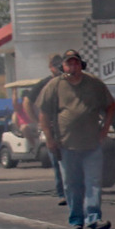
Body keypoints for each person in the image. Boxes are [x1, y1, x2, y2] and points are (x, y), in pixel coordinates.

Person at [39, 50, 115, 229]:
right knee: (72, 184)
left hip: (92, 144)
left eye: (76, 63)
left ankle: (93, 218)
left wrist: (105, 128)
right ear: (63, 67)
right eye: (69, 64)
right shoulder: (54, 86)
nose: (73, 67)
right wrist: (49, 138)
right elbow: (44, 113)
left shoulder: (94, 84)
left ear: (81, 65)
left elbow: (110, 105)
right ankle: (76, 220)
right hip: (66, 145)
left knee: (93, 182)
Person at [22, 54, 65, 197]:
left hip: (70, 126)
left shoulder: (70, 80)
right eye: (54, 64)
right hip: (52, 127)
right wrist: (37, 121)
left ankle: (75, 192)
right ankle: (62, 193)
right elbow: (27, 102)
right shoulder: (45, 83)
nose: (57, 67)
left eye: (59, 63)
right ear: (50, 67)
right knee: (57, 161)